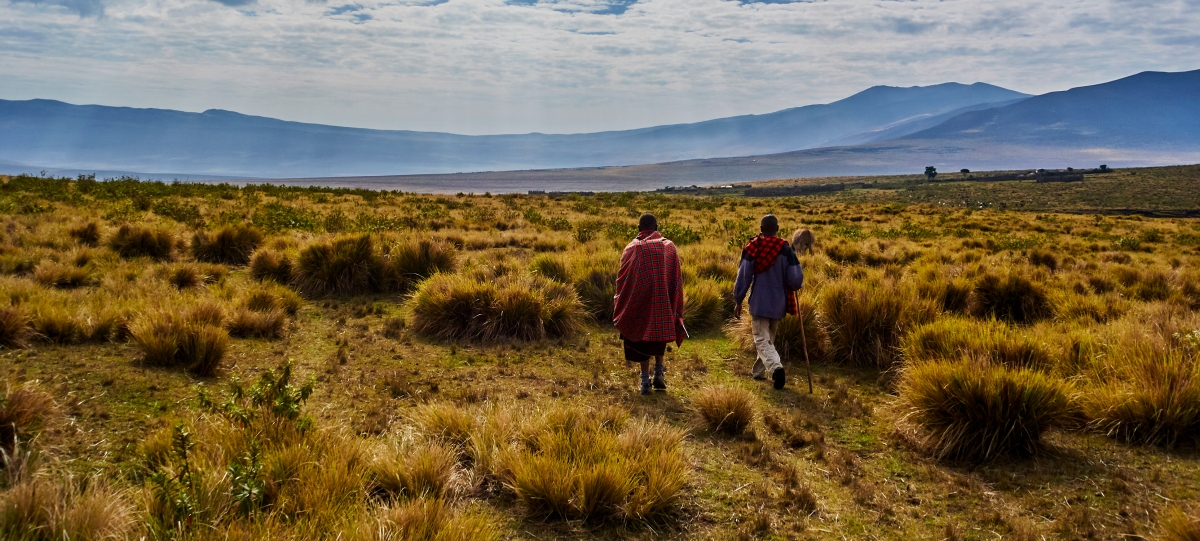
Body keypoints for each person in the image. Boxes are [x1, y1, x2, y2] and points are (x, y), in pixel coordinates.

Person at [614, 213, 686, 395]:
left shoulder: (632, 249)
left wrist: (622, 300)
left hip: (639, 301)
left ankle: (645, 381)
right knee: (659, 335)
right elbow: (676, 279)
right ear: (656, 228)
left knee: (641, 340)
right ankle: (659, 372)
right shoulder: (668, 247)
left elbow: (623, 280)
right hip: (662, 302)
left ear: (639, 229)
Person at [733, 215, 804, 390]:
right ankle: (758, 372)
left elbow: (744, 276)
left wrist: (738, 299)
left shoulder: (753, 248)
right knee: (768, 340)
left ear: (761, 228)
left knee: (761, 340)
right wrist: (793, 284)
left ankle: (776, 369)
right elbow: (795, 278)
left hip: (759, 301)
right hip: (778, 302)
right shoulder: (785, 249)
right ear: (777, 228)